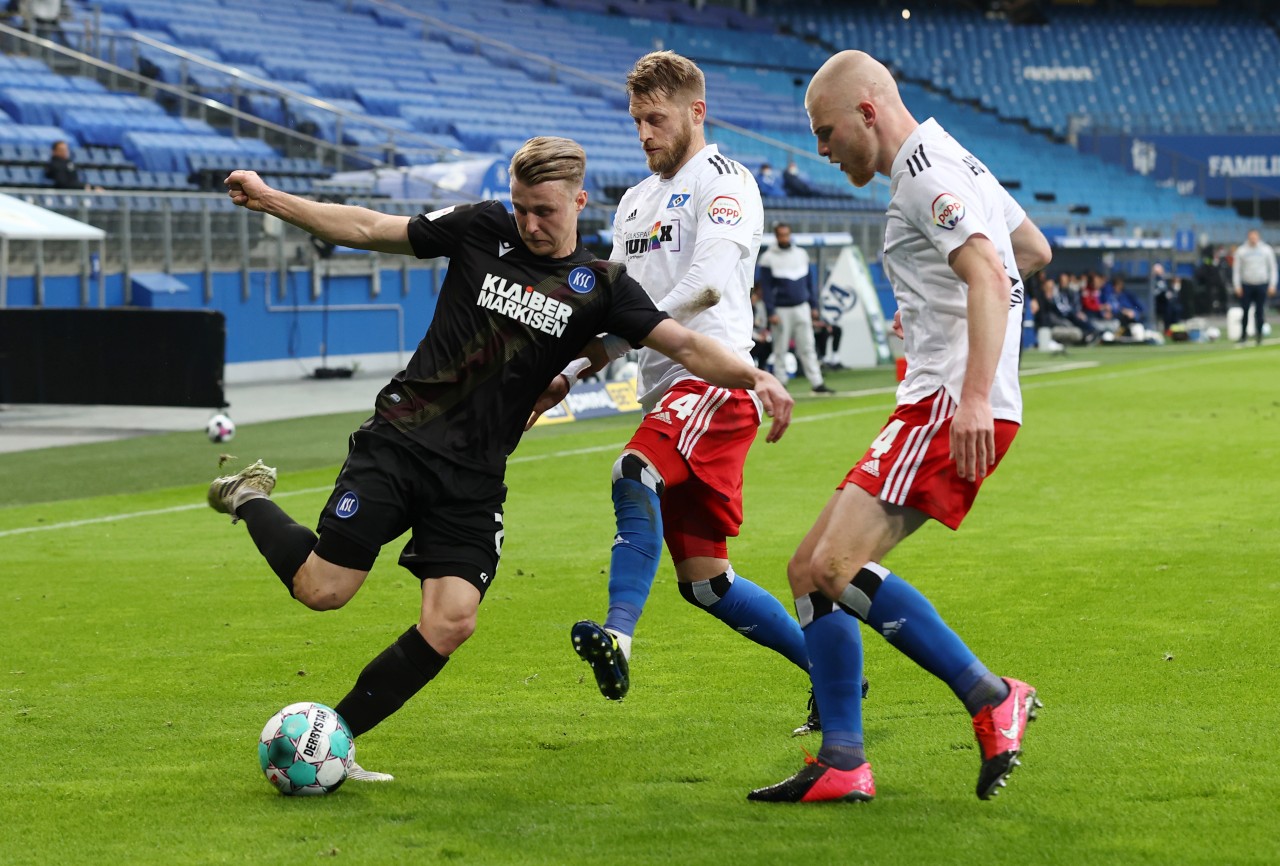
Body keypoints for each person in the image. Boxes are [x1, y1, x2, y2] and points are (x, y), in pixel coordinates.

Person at [207, 136, 794, 782]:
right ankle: (249, 497)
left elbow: (684, 344)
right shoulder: (483, 226)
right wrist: (270, 200)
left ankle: (334, 742)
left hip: (475, 477)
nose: (530, 223)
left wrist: (754, 377)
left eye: (543, 210)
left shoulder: (601, 288)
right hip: (401, 441)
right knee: (323, 590)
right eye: (521, 208)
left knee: (452, 620)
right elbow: (371, 227)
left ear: (579, 200)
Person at [748, 50, 1048, 805]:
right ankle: (844, 757)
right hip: (945, 396)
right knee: (808, 569)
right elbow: (1032, 252)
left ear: (868, 113)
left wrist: (975, 390)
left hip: (947, 405)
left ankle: (989, 695)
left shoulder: (922, 174)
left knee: (831, 568)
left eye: (825, 132)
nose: (821, 150)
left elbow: (987, 272)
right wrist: (930, 304)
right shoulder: (960, 160)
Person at [545, 52, 827, 723]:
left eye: (656, 119)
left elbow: (704, 284)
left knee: (632, 471)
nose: (644, 133)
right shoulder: (636, 202)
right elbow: (616, 317)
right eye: (637, 120)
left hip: (713, 380)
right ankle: (832, 674)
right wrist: (565, 376)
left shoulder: (723, 180)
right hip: (663, 388)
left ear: (696, 113)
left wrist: (637, 331)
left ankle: (616, 637)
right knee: (705, 582)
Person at [758, 223, 836, 394]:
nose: (784, 238)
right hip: (781, 309)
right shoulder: (768, 258)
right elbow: (767, 288)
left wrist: (813, 305)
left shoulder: (801, 254)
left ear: (790, 235)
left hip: (802, 306)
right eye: (781, 235)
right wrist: (771, 311)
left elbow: (809, 282)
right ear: (776, 236)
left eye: (786, 235)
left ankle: (817, 383)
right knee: (780, 348)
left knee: (808, 346)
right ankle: (781, 383)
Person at [1231, 229, 1277, 345]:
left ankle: (1259, 335)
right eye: (1251, 237)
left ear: (1258, 237)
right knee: (1245, 311)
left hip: (1261, 283)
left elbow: (1272, 269)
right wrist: (1237, 285)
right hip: (1246, 284)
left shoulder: (1266, 250)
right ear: (1248, 237)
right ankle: (1243, 336)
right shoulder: (1242, 251)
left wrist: (1272, 284)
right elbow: (1236, 270)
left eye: (1255, 237)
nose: (1253, 239)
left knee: (1260, 311)